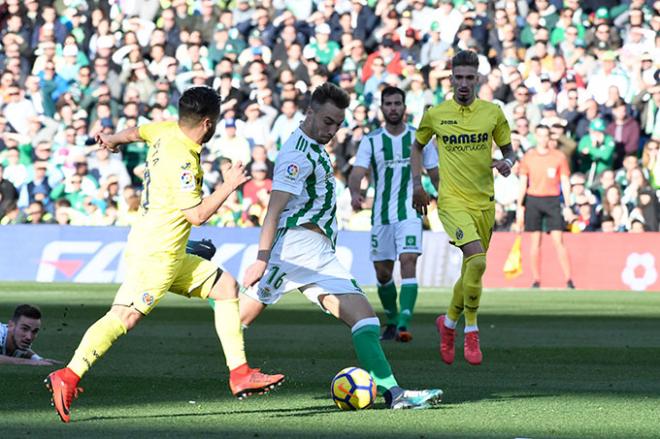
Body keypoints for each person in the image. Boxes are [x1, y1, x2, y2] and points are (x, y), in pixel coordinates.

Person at [45, 86, 284, 424]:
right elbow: (196, 215)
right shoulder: (183, 158)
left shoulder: (165, 128)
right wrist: (229, 185)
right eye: (214, 122)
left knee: (225, 287)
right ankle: (68, 375)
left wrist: (111, 138)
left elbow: (135, 132)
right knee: (125, 316)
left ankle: (239, 372)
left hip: (166, 250)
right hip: (156, 254)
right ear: (206, 123)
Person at [239, 82, 443, 409]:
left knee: (366, 321)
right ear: (310, 112)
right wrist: (262, 259)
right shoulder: (297, 155)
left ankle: (395, 395)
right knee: (236, 319)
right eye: (327, 121)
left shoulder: (313, 145)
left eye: (337, 124)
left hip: (320, 256)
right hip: (292, 251)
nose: (332, 130)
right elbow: (273, 210)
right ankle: (208, 289)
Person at [411, 50, 516, 366]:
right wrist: (418, 185)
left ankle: (448, 322)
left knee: (473, 267)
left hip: (484, 202)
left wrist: (506, 162)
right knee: (477, 260)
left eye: (470, 78)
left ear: (479, 80)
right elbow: (417, 147)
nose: (464, 84)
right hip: (452, 202)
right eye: (459, 77)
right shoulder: (436, 114)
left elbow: (509, 149)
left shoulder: (493, 113)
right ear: (451, 78)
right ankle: (471, 330)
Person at [348, 86, 439, 342]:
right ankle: (392, 318)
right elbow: (357, 173)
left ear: (404, 107)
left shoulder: (418, 138)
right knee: (383, 273)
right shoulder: (372, 140)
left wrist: (444, 194)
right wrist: (355, 192)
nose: (393, 108)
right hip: (381, 214)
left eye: (397, 103)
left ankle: (403, 324)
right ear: (382, 108)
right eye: (388, 104)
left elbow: (434, 172)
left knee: (408, 260)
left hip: (411, 211)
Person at [517, 125, 575, 289]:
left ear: (549, 138)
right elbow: (523, 183)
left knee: (559, 240)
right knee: (535, 242)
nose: (542, 139)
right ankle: (536, 279)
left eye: (545, 136)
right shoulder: (529, 157)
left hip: (552, 200)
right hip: (533, 199)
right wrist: (520, 207)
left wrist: (568, 205)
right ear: (536, 136)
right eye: (540, 136)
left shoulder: (558, 157)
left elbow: (565, 181)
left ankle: (569, 279)